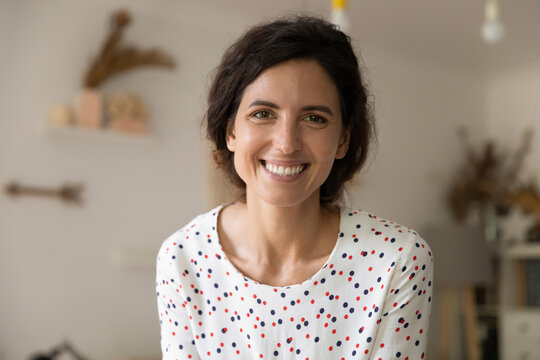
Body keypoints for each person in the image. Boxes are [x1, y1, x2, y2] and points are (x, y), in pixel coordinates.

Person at [156, 15, 433, 359]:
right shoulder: (183, 258)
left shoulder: (395, 260)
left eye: (314, 118)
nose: (286, 143)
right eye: (263, 114)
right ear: (230, 132)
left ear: (343, 140)